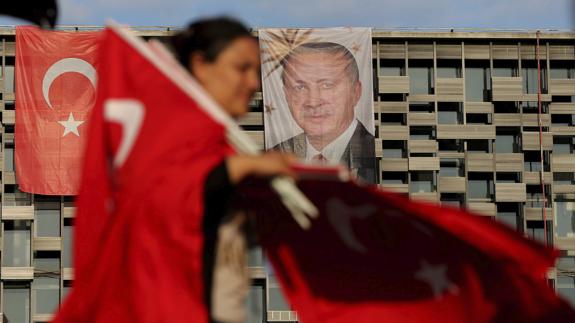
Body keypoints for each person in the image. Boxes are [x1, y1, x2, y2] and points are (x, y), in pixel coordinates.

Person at [170, 17, 297, 323]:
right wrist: (246, 166)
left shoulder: (223, 147)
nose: (254, 83)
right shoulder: (165, 135)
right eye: (242, 68)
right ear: (201, 66)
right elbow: (169, 190)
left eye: (256, 71)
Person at [272, 42, 377, 183]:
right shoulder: (273, 158)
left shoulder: (378, 153)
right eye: (300, 87)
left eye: (327, 85)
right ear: (286, 95)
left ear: (355, 92)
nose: (313, 102)